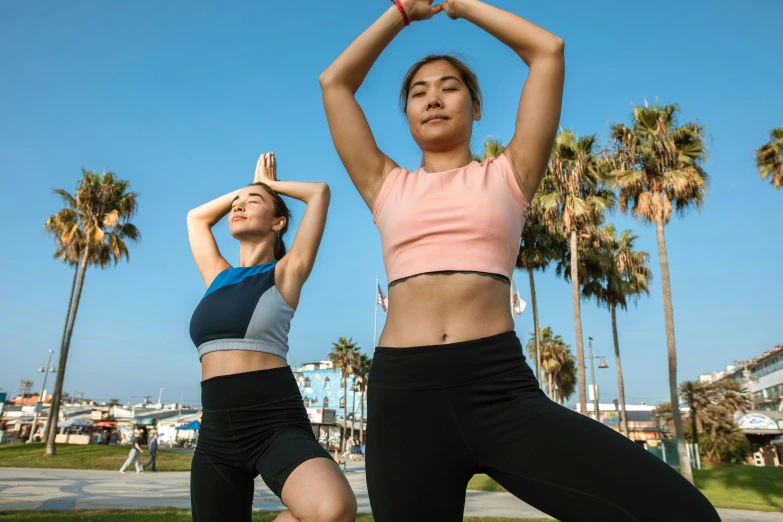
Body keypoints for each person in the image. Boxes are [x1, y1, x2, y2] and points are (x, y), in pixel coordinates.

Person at [319, 1, 722, 521]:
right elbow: (335, 84)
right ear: (407, 114)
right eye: (417, 92)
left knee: (681, 513)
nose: (433, 98)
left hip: (496, 385)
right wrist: (402, 13)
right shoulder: (385, 184)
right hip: (404, 395)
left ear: (477, 105)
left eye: (449, 87)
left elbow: (547, 51)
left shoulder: (509, 173)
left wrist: (461, 6)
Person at [187, 152, 356, 521]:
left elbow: (319, 193)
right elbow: (196, 218)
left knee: (333, 508)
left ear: (279, 222)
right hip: (216, 432)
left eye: (253, 202)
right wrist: (248, 189)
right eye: (235, 203)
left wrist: (269, 186)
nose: (239, 206)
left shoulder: (285, 272)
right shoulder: (216, 275)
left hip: (273, 422)